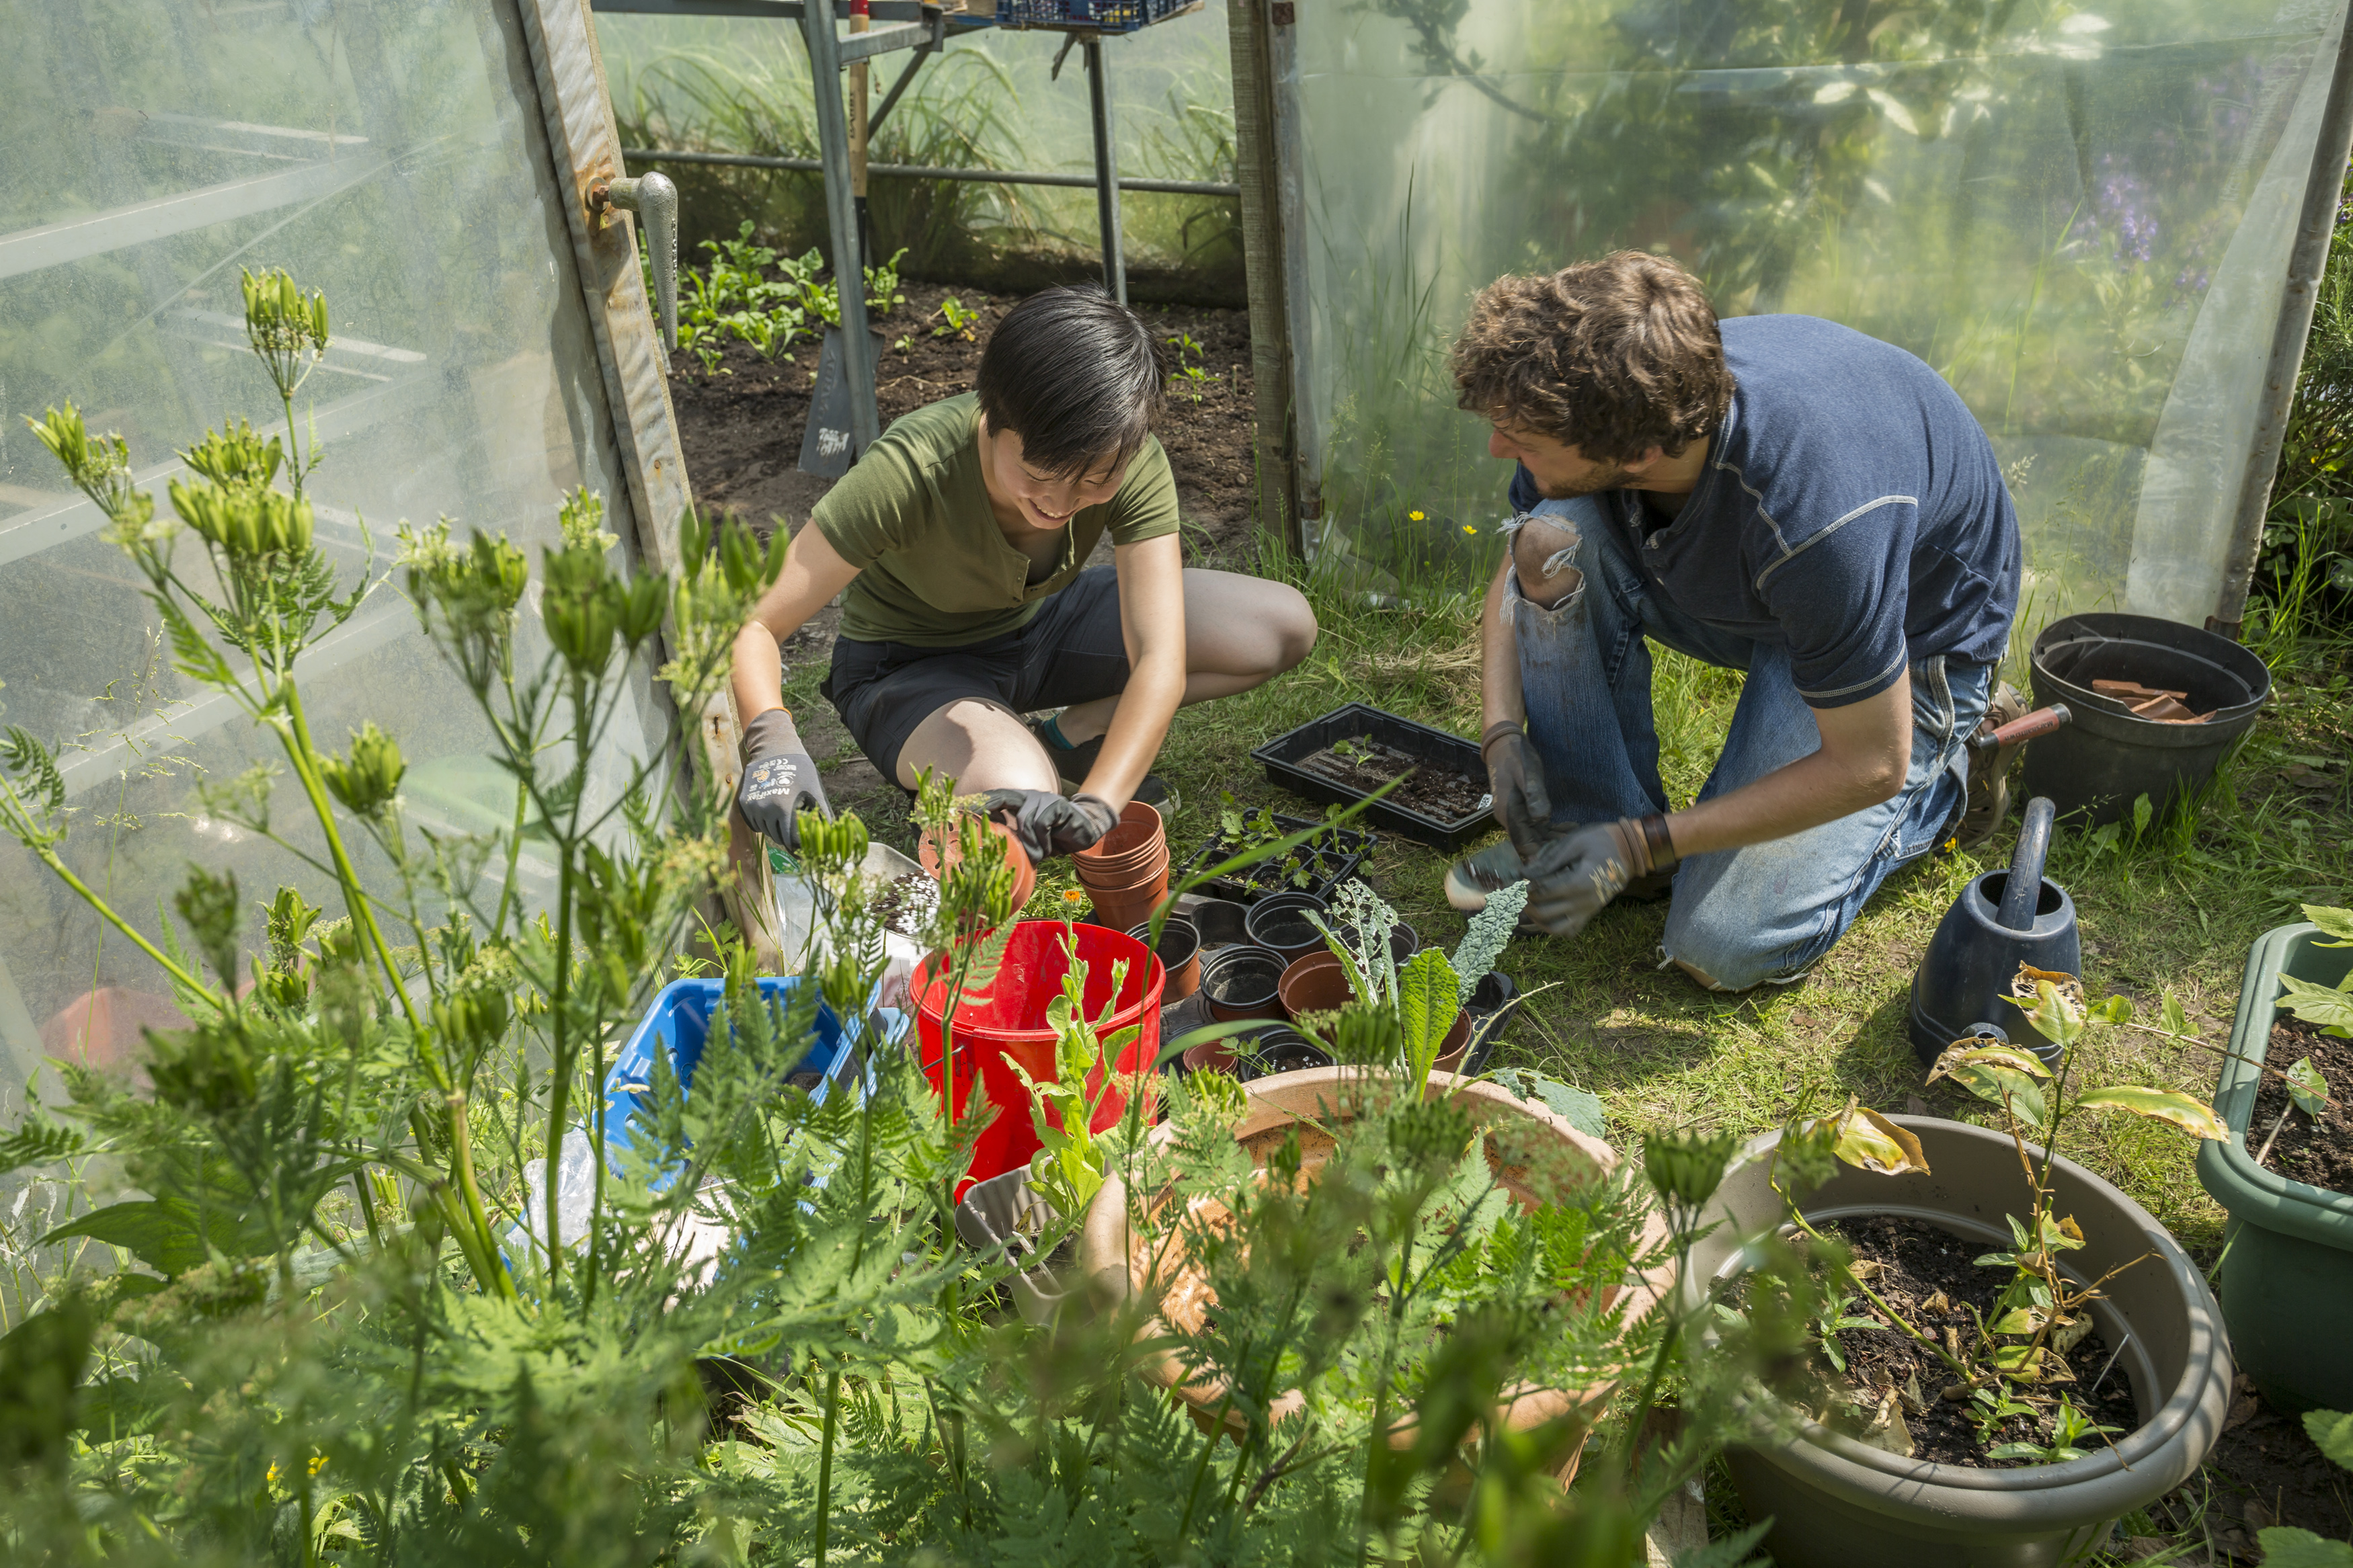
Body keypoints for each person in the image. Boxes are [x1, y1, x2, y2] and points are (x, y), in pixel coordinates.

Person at [1446, 251, 2021, 991]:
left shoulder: (1814, 516)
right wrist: (1499, 735)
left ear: (1638, 453)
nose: (1499, 449)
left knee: (1720, 945)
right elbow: (1526, 540)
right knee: (1557, 537)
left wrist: (1640, 840)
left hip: (1905, 646)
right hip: (1776, 592)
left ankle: (1953, 770)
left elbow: (1867, 762)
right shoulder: (1615, 392)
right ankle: (1590, 840)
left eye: (1521, 441)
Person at [728, 284, 1318, 867]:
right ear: (992, 417)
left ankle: (1074, 735)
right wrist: (772, 741)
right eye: (1039, 472)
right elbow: (754, 623)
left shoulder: (1128, 457)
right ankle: (994, 764)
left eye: (1094, 483)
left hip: (1037, 627)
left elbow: (1159, 657)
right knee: (1021, 796)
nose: (1060, 502)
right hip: (909, 665)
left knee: (1278, 624)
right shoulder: (910, 469)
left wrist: (1100, 804)